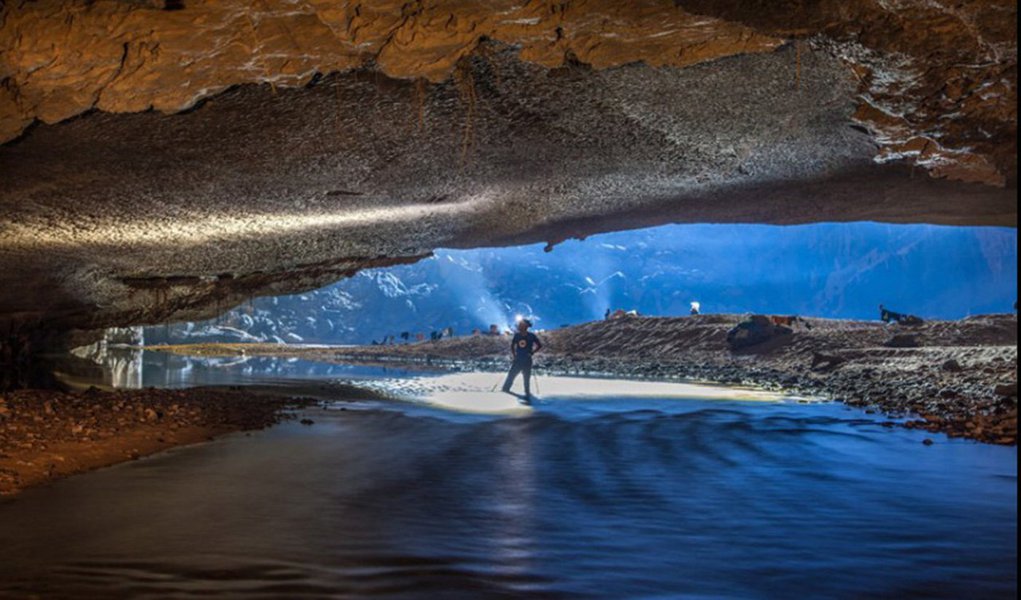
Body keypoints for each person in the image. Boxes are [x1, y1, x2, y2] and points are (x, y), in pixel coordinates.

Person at [502, 318, 542, 400]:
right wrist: (514, 355)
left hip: (526, 359)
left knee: (525, 376)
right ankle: (506, 389)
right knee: (512, 374)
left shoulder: (531, 336)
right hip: (519, 359)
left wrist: (532, 352)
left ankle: (526, 392)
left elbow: (539, 345)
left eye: (521, 325)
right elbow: (512, 346)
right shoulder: (517, 335)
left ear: (526, 326)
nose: (519, 326)